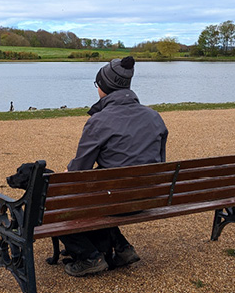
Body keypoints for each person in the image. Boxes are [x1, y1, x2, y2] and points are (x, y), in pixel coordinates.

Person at [60, 56, 169, 277]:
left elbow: (79, 171)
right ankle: (122, 248)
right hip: (148, 197)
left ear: (104, 87)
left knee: (58, 199)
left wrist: (68, 172)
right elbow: (160, 161)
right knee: (106, 190)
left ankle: (89, 256)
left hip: (116, 200)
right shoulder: (154, 117)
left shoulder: (100, 121)